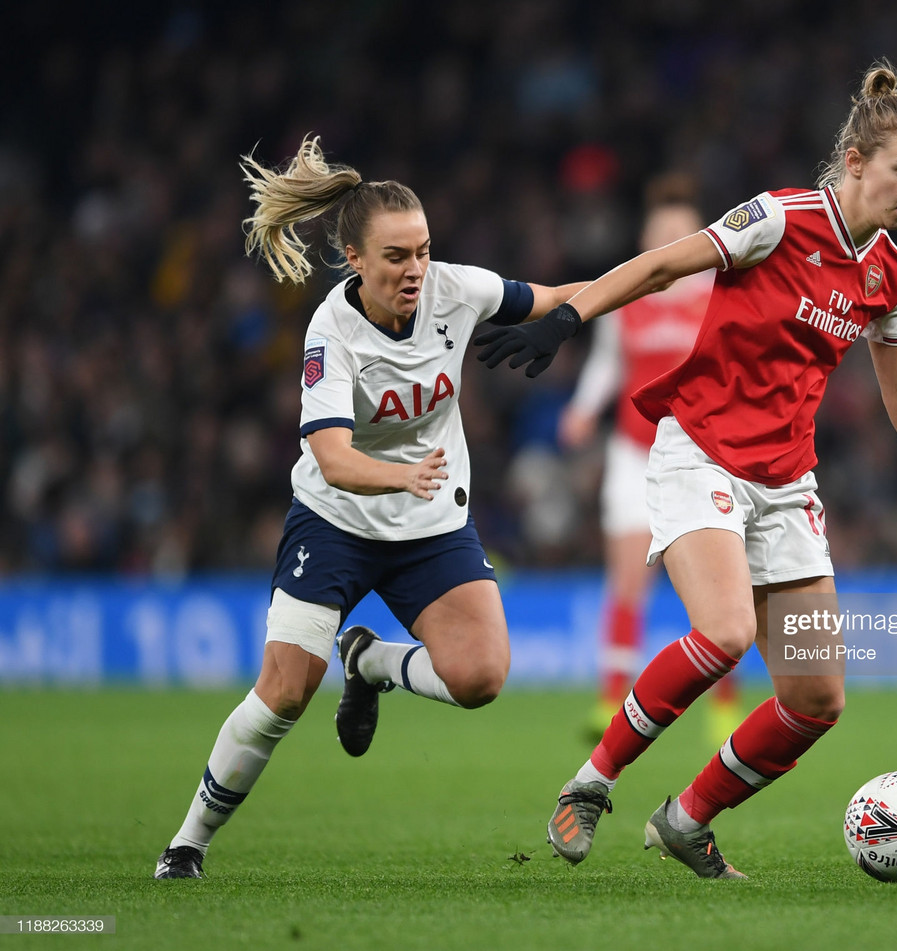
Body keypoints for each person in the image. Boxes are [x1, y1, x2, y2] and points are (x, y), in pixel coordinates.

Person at [475, 61, 897, 879]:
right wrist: (570, 317)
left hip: (787, 483)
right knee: (724, 633)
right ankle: (589, 783)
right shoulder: (778, 219)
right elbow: (660, 266)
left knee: (818, 698)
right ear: (856, 161)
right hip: (699, 450)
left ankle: (686, 820)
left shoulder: (890, 276)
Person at [154, 135, 586, 879]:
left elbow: (557, 295)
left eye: (421, 250)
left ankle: (371, 660)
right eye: (396, 256)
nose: (415, 267)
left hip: (429, 523)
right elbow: (331, 458)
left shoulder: (458, 289)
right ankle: (187, 841)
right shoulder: (331, 332)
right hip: (336, 521)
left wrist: (576, 312)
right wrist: (401, 477)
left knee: (481, 676)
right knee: (285, 690)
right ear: (354, 258)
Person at [557, 174, 741, 745]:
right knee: (627, 579)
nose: (667, 243)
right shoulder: (628, 295)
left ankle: (723, 707)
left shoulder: (720, 295)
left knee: (717, 588)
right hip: (633, 451)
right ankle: (611, 700)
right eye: (659, 233)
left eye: (678, 234)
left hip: (703, 452)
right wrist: (583, 409)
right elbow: (608, 364)